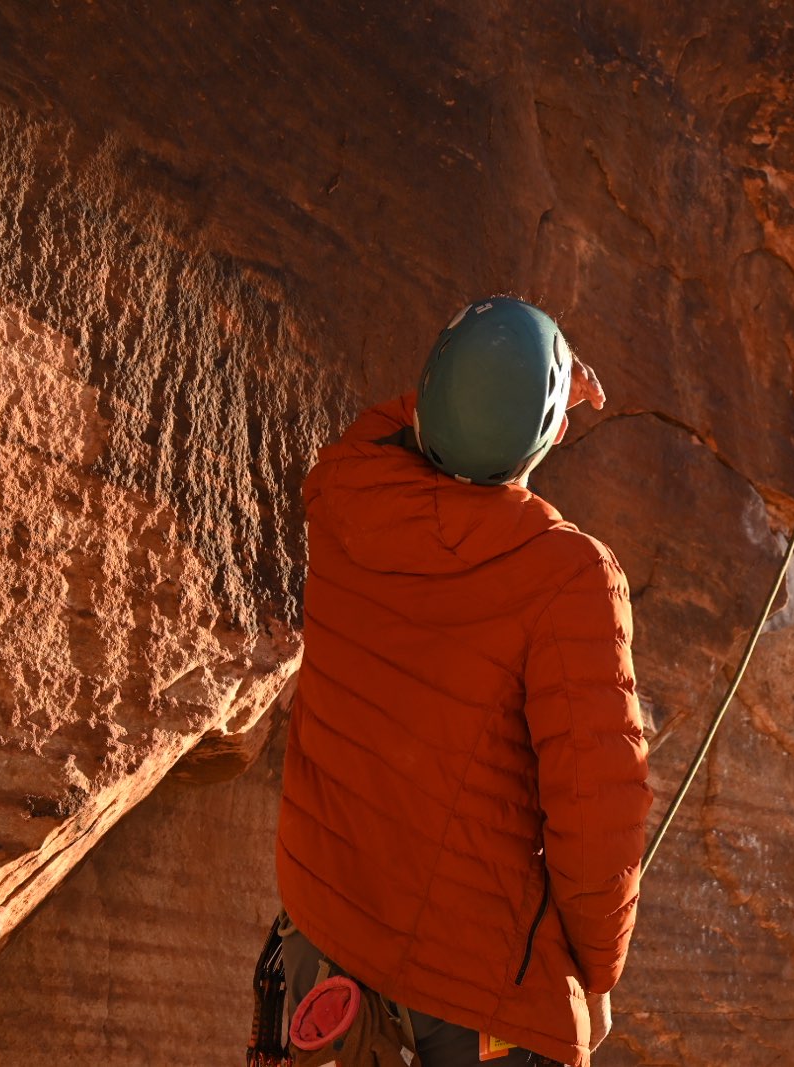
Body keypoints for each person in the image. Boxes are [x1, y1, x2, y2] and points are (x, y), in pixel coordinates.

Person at [272, 296, 652, 1067]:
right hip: (466, 1004)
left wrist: (499, 379)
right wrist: (594, 972)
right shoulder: (570, 578)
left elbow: (396, 421)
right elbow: (596, 817)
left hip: (323, 954)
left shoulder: (345, 488)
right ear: (549, 435)